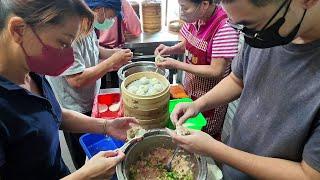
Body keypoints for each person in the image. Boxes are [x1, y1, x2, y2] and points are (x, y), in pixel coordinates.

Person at [168, 0, 320, 179]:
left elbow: (309, 174)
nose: (249, 36)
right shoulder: (262, 32)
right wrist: (198, 105)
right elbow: (237, 79)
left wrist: (215, 149)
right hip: (233, 168)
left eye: (252, 25)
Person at [0, 0, 137, 179]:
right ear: (19, 29)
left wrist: (106, 126)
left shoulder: (30, 72)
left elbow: (54, 113)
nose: (70, 59)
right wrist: (85, 176)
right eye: (63, 43)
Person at [47, 0, 133, 169]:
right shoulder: (70, 32)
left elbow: (95, 48)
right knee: (82, 152)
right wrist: (111, 63)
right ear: (100, 9)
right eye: (111, 15)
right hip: (72, 106)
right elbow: (76, 80)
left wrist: (113, 54)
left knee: (95, 135)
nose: (112, 19)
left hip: (90, 97)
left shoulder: (89, 24)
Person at [154, 0, 239, 139]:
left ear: (204, 4)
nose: (181, 12)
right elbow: (189, 43)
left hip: (211, 99)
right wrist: (170, 49)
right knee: (185, 129)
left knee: (202, 136)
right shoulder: (195, 18)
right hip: (190, 90)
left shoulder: (224, 28)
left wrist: (177, 64)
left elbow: (216, 71)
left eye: (185, 8)